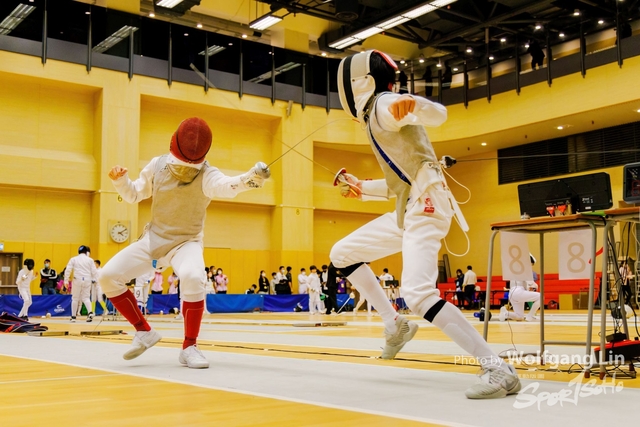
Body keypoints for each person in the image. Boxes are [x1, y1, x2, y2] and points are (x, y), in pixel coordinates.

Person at [331, 49, 520, 398]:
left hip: (426, 205)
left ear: (358, 82)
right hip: (409, 207)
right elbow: (400, 182)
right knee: (342, 254)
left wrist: (414, 105)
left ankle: (498, 368)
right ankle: (394, 324)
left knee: (418, 294)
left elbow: (438, 114)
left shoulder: (384, 104)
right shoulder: (375, 115)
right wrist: (362, 188)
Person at [98, 117, 269, 369]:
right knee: (107, 276)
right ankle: (143, 331)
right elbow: (134, 194)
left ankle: (189, 346)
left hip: (186, 242)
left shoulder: (207, 174)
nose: (185, 169)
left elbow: (226, 186)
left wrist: (249, 179)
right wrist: (120, 181)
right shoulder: (157, 165)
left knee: (193, 276)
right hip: (154, 238)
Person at [499, 255, 541, 322]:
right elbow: (531, 283)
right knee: (540, 297)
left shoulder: (515, 269)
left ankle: (506, 313)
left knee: (519, 316)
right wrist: (536, 286)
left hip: (512, 294)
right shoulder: (524, 269)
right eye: (531, 264)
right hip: (518, 292)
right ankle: (530, 316)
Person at [64, 245, 98, 323]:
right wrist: (95, 281)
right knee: (86, 298)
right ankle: (90, 313)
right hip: (87, 280)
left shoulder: (74, 259)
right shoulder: (90, 260)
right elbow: (94, 271)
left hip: (77, 280)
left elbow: (68, 269)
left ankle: (73, 317)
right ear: (86, 252)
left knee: (75, 298)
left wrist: (66, 281)